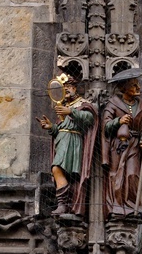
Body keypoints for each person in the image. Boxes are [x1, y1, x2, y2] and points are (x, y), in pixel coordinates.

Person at [37, 71, 99, 216]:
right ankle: (64, 203)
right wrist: (51, 127)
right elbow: (61, 128)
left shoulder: (82, 104)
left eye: (69, 87)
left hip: (73, 142)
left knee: (57, 168)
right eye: (63, 88)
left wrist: (70, 111)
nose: (66, 90)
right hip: (62, 141)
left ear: (75, 88)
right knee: (58, 170)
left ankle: (64, 203)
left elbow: (89, 119)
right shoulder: (64, 106)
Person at [102, 68, 142, 217]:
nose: (138, 88)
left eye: (137, 85)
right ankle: (117, 205)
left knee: (132, 175)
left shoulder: (140, 105)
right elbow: (105, 125)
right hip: (118, 145)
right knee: (118, 174)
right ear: (124, 88)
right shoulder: (113, 103)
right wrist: (119, 121)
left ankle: (131, 204)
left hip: (135, 145)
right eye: (133, 85)